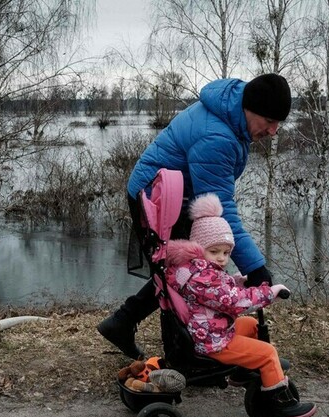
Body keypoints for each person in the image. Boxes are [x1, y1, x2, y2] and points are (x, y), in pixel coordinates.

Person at [98, 73, 292, 360]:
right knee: (180, 276)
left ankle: (124, 324)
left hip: (175, 195)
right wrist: (254, 267)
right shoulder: (218, 136)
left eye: (278, 123)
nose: (273, 131)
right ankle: (183, 358)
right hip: (156, 198)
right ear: (250, 109)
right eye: (269, 121)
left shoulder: (233, 112)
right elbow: (220, 208)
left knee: (181, 275)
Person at [164, 193, 316, 417]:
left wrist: (237, 282)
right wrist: (270, 293)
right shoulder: (203, 278)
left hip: (206, 328)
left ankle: (242, 372)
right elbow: (234, 302)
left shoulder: (193, 271)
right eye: (214, 252)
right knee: (267, 354)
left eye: (226, 252)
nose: (222, 258)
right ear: (198, 248)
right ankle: (278, 406)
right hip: (213, 341)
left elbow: (217, 294)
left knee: (251, 325)